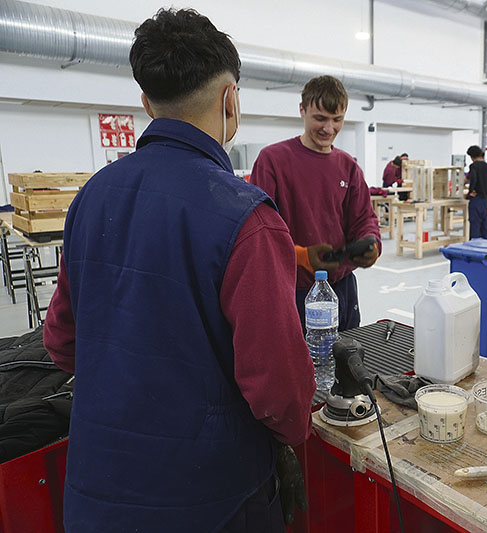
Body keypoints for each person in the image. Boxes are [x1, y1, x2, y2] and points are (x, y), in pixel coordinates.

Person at [42, 9, 315, 532]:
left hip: (97, 490)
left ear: (147, 103)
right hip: (210, 500)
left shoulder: (91, 197)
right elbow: (280, 391)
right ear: (230, 99)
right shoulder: (247, 216)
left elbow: (62, 342)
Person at [250, 75, 381, 331]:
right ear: (302, 110)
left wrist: (371, 243)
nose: (329, 129)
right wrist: (301, 256)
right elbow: (259, 229)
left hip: (342, 288)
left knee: (346, 364)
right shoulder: (273, 160)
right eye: (320, 118)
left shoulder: (348, 166)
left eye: (337, 120)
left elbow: (364, 218)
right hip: (294, 290)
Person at [466, 145, 487, 240]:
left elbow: (473, 179)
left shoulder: (474, 166)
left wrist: (470, 192)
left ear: (472, 156)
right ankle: (486, 244)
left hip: (476, 199)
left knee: (475, 223)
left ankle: (474, 246)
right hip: (485, 199)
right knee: (484, 223)